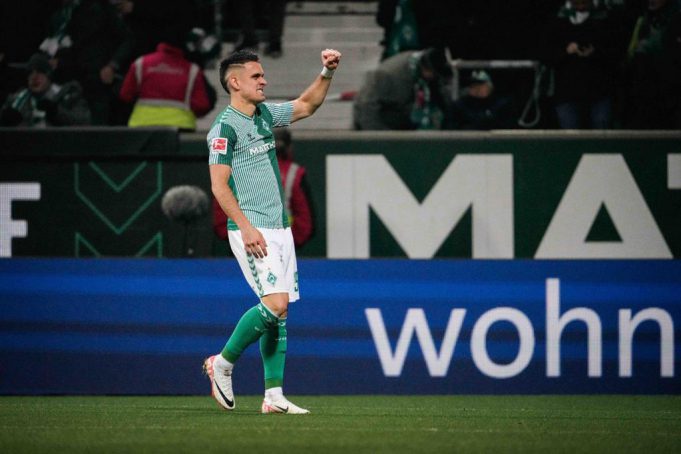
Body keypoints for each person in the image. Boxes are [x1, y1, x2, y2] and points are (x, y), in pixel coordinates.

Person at [203, 48, 342, 414]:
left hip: (280, 228)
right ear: (235, 82)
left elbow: (306, 105)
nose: (264, 81)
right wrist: (246, 227)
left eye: (263, 75)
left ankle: (274, 396)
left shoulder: (264, 115)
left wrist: (326, 72)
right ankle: (222, 363)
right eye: (256, 76)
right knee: (275, 304)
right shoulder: (224, 129)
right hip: (252, 228)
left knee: (280, 313)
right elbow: (218, 186)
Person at [212, 128, 315, 249]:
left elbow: (222, 214)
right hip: (282, 245)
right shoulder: (294, 173)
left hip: (245, 244)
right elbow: (305, 220)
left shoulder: (236, 170)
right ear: (289, 147)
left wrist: (238, 238)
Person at [40, 0, 135, 125]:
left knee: (98, 126)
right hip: (74, 83)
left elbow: (128, 40)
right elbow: (76, 48)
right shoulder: (67, 14)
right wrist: (60, 61)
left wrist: (112, 65)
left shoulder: (102, 9)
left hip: (99, 82)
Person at [543, 0, 619, 129]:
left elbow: (616, 53)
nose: (581, 7)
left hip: (599, 92)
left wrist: (595, 52)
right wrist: (566, 52)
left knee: (601, 136)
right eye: (577, 3)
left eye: (584, 3)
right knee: (571, 137)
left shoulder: (606, 19)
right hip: (567, 93)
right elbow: (545, 54)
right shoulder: (558, 21)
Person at [118, 37, 213, 130]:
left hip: (142, 124)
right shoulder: (192, 70)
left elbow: (125, 95)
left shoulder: (141, 64)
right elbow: (202, 105)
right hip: (180, 127)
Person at [353, 47, 452, 130]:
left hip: (404, 120)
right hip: (379, 123)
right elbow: (366, 107)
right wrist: (378, 137)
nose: (434, 78)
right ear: (425, 69)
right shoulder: (386, 74)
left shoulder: (427, 75)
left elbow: (442, 99)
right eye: (434, 75)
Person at [0, 52, 91, 127]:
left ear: (49, 76)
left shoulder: (68, 95)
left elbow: (84, 121)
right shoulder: (18, 99)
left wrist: (56, 112)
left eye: (40, 72)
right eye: (30, 73)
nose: (34, 77)